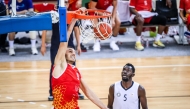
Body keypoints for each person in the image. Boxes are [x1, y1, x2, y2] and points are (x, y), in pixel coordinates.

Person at [51, 18, 108, 109]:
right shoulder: (59, 65)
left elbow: (89, 93)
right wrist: (73, 20)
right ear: (63, 54)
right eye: (70, 51)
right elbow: (63, 44)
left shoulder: (76, 71)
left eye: (73, 52)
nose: (73, 53)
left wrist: (105, 108)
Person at [40, 1, 83, 101]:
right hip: (56, 45)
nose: (66, 4)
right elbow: (44, 30)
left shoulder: (72, 15)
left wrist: (79, 45)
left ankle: (75, 90)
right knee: (54, 67)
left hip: (70, 44)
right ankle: (52, 92)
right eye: (64, 2)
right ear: (57, 5)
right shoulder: (53, 15)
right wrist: (43, 45)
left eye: (67, 2)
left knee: (72, 67)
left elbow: (76, 30)